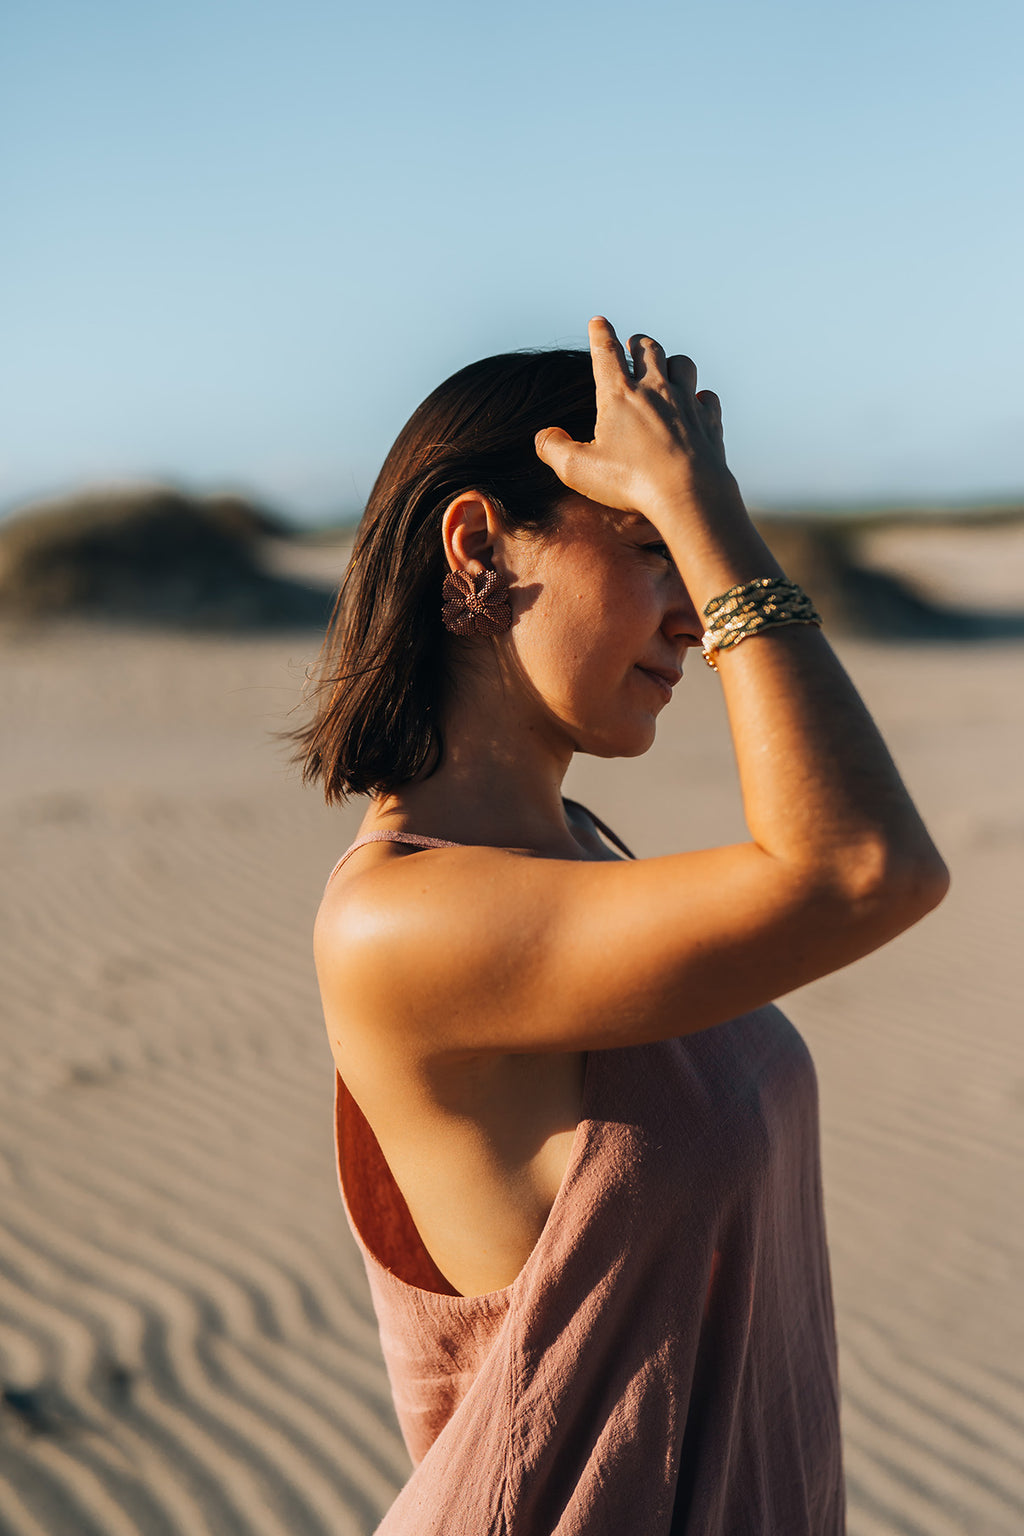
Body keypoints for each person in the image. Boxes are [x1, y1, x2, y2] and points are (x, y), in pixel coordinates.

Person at [294, 318, 949, 1534]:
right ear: (478, 544)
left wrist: (684, 508)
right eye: (652, 548)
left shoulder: (582, 853)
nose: (697, 618)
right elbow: (864, 867)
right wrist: (710, 513)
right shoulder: (397, 924)